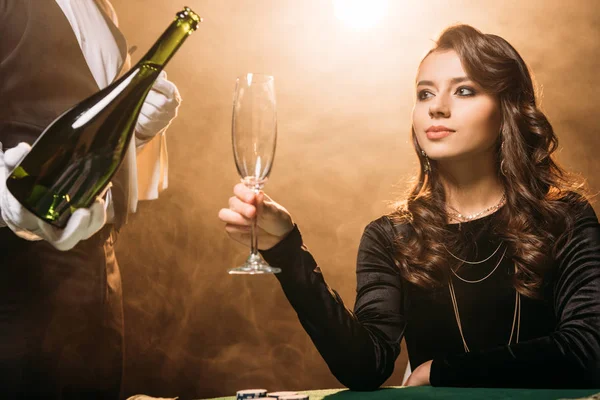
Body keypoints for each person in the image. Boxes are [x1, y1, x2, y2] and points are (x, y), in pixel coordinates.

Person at [219, 24, 600, 389]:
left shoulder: (565, 218)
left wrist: (440, 371)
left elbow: (589, 349)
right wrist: (284, 250)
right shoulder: (391, 236)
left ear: (508, 110)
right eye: (425, 93)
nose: (438, 108)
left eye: (464, 90)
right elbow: (364, 366)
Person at [0, 0, 181, 398]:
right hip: (17, 276)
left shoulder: (103, 7)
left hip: (100, 264)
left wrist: (139, 128)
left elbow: (93, 139)